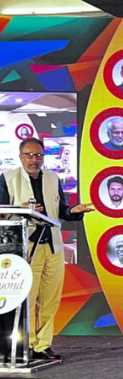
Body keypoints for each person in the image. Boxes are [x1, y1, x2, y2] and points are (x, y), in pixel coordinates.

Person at [0, 138, 94, 361]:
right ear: (21, 157)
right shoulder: (8, 179)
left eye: (39, 155)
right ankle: (27, 345)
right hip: (25, 247)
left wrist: (73, 210)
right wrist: (19, 209)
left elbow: (59, 210)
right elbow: (2, 210)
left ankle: (42, 345)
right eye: (30, 155)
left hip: (52, 245)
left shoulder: (52, 178)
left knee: (50, 299)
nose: (34, 160)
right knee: (28, 299)